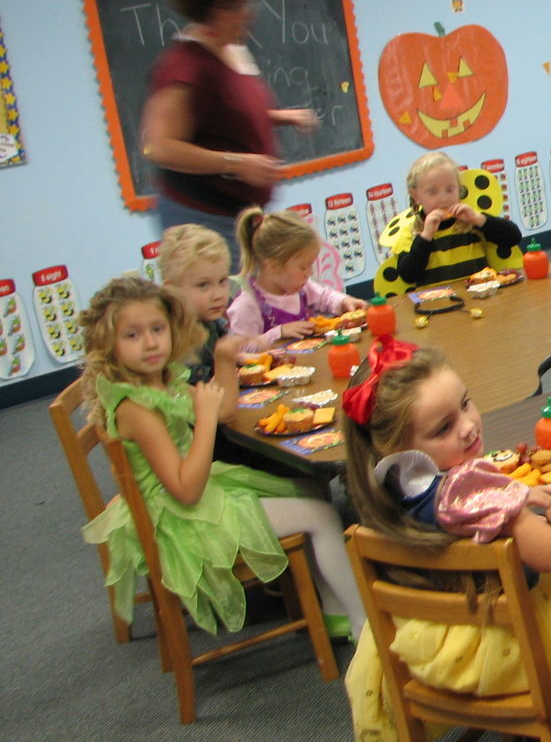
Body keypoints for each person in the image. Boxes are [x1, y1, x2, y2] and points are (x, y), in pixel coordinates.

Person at [338, 338, 551, 742]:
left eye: (465, 404)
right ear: (398, 446)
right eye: (443, 429)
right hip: (503, 643)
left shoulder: (385, 486)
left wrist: (515, 494)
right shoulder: (475, 496)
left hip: (430, 642)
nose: (468, 427)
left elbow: (459, 504)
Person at [77, 276, 364, 640]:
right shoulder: (137, 408)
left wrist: (224, 360)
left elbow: (225, 410)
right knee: (323, 515)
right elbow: (186, 490)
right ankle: (362, 623)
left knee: (307, 486)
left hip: (197, 492)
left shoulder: (157, 378)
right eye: (132, 335)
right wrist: (205, 423)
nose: (150, 342)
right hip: (184, 517)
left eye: (157, 329)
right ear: (107, 344)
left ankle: (334, 611)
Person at [139, 0, 319, 267]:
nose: (248, 13)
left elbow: (227, 114)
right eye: (238, 5)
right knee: (230, 305)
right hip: (204, 217)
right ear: (215, 10)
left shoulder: (230, 50)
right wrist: (236, 163)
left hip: (241, 214)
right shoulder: (184, 66)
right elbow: (160, 147)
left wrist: (279, 117)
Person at [372, 150, 523, 297]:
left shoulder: (469, 220)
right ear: (416, 195)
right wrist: (426, 236)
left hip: (478, 297)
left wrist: (479, 219)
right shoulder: (411, 231)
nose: (443, 199)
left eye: (450, 189)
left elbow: (513, 237)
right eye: (432, 192)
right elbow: (409, 275)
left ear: (459, 188)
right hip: (435, 304)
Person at [226, 206, 368, 349]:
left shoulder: (302, 287)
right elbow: (239, 349)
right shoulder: (247, 305)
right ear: (273, 265)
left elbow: (325, 296)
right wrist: (279, 332)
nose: (310, 272)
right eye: (303, 267)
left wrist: (344, 301)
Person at [157, 224, 244, 393]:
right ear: (172, 290)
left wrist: (241, 358)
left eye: (222, 281)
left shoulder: (213, 321)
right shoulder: (176, 340)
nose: (218, 295)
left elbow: (222, 359)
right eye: (203, 285)